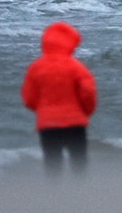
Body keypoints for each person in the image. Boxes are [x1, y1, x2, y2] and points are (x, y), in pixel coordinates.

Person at [21, 21, 97, 176]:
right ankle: (80, 196)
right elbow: (88, 91)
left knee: (53, 164)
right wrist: (85, 112)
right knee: (79, 163)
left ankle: (55, 198)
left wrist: (43, 110)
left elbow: (29, 99)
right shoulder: (76, 66)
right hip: (75, 123)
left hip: (48, 124)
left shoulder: (36, 67)